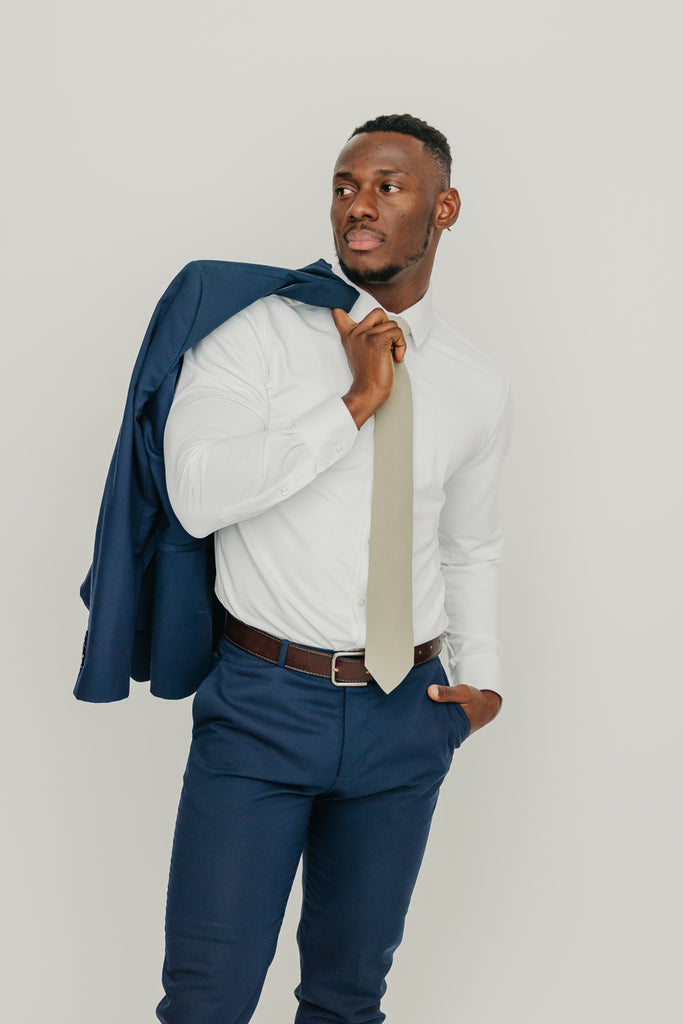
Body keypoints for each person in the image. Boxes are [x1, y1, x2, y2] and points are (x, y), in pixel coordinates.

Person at [155, 113, 512, 1024]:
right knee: (206, 1002)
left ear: (445, 207)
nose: (358, 205)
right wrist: (354, 403)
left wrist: (481, 680)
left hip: (406, 716)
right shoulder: (253, 335)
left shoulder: (474, 380)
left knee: (349, 1000)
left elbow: (468, 545)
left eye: (387, 186)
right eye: (345, 186)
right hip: (265, 706)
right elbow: (194, 494)